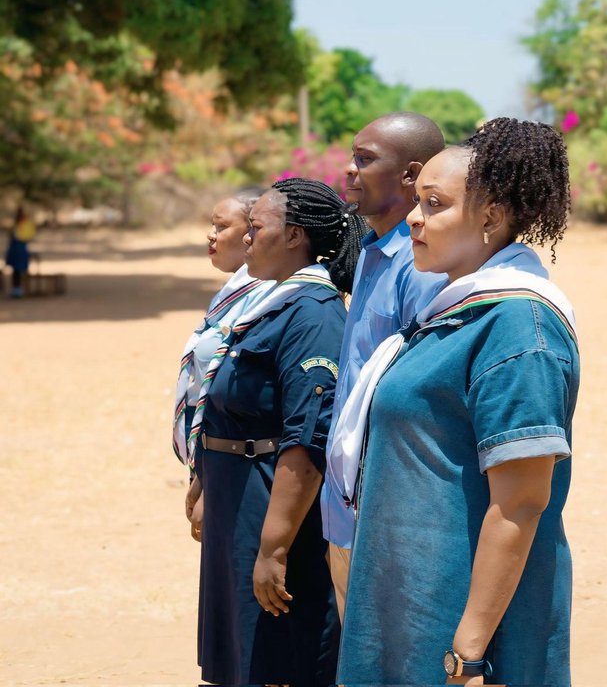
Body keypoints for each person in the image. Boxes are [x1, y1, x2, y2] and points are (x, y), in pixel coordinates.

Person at [333, 117, 579, 687]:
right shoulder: (450, 312)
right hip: (409, 606)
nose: (414, 219)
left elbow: (519, 504)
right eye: (418, 201)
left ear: (490, 218)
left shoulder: (520, 327)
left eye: (435, 205)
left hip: (458, 634)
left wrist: (467, 652)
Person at [193, 178, 366, 687]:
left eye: (257, 227)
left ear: (293, 236)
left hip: (271, 501)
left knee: (276, 656)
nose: (246, 238)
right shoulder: (267, 301)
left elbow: (307, 440)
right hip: (237, 494)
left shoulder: (313, 314)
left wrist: (273, 548)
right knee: (242, 652)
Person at [320, 112, 446, 620]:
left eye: (365, 160)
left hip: (388, 515)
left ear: (411, 175)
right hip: (347, 508)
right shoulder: (371, 254)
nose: (349, 171)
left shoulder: (421, 267)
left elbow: (422, 401)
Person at [173, 192, 274, 541]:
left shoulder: (266, 296)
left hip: (238, 464)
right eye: (211, 225)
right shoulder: (234, 290)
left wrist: (210, 480)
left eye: (221, 226)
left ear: (252, 233)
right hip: (214, 457)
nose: (211, 235)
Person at [5, 205, 36, 298]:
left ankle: (21, 289)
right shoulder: (16, 224)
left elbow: (28, 236)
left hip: (21, 249)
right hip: (15, 250)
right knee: (15, 271)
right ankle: (16, 289)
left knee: (21, 270)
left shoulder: (27, 224)